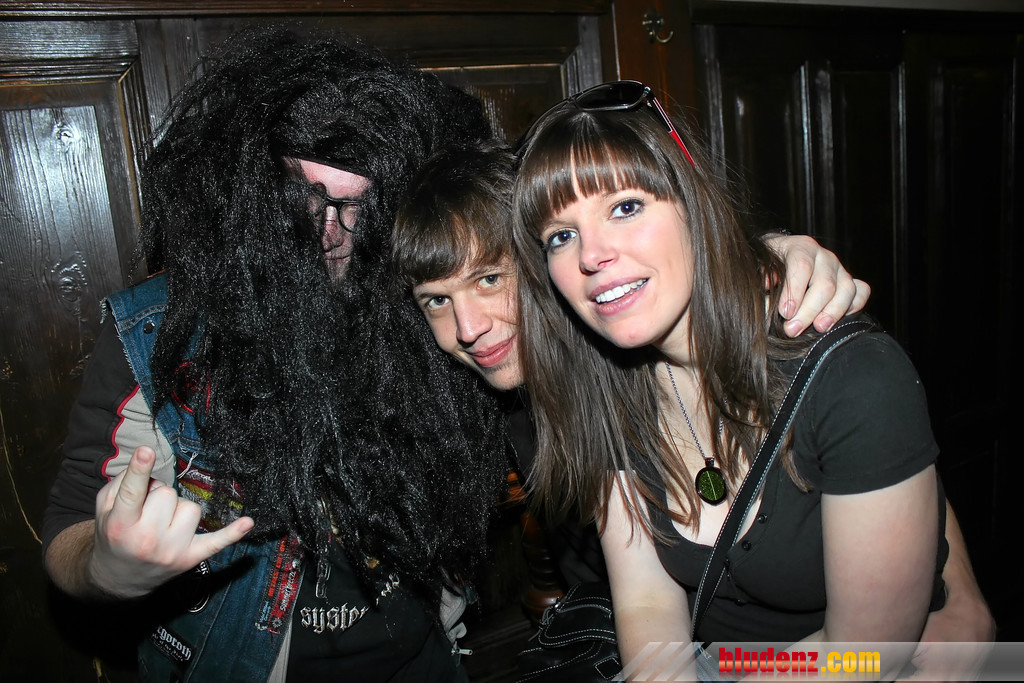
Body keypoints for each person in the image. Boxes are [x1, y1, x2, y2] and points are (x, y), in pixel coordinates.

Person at [395, 133, 993, 678]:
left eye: (490, 279)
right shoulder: (485, 397)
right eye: (436, 300)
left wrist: (958, 588)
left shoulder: (628, 353)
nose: (469, 327)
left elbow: (867, 436)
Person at [41, 27, 510, 682]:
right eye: (305, 200)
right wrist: (110, 567)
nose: (330, 232)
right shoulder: (156, 330)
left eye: (358, 205)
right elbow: (69, 530)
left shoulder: (428, 304)